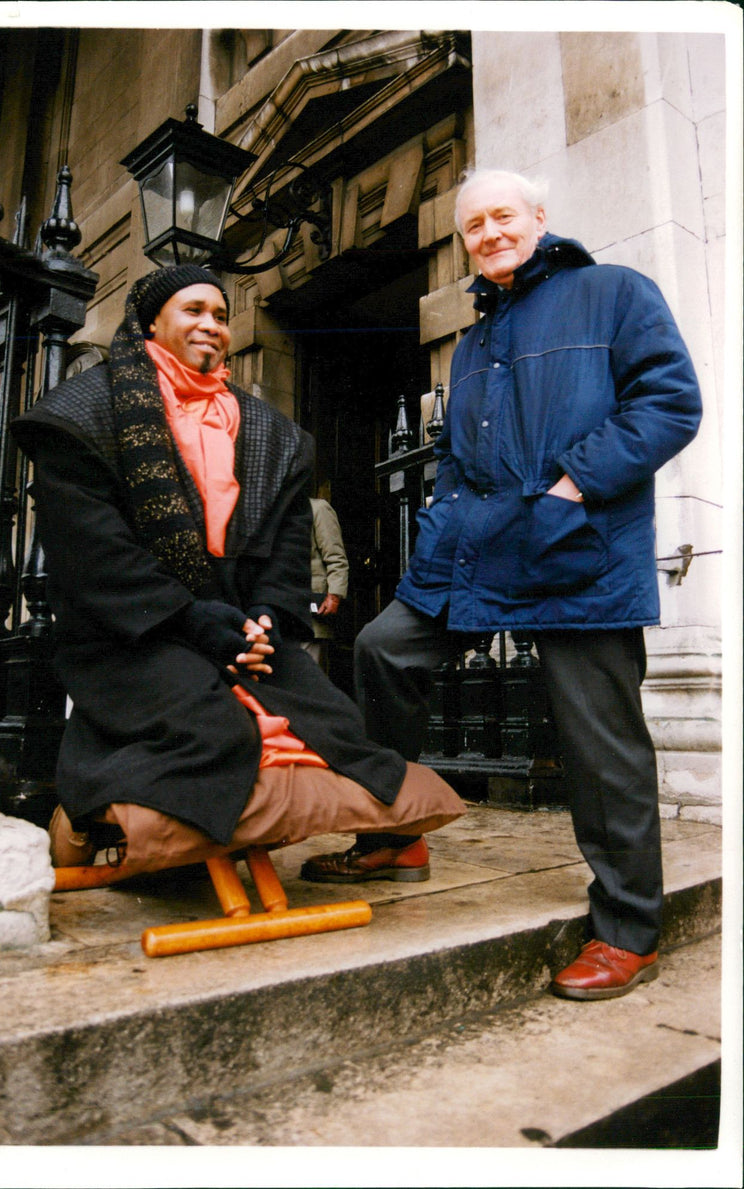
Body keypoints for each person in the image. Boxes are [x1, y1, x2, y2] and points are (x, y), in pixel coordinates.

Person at [301, 170, 702, 1000]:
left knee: (599, 740)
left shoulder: (613, 291)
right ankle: (397, 832)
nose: (488, 232)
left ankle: (627, 929)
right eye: (473, 224)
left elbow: (670, 401)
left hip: (576, 543)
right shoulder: (477, 339)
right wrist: (445, 516)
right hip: (480, 545)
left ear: (538, 219)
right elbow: (455, 454)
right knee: (383, 650)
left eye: (502, 216)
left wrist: (573, 486)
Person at [11, 265, 464, 876]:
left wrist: (267, 620)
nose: (212, 325)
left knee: (338, 729)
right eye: (193, 310)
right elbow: (93, 548)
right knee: (217, 734)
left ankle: (313, 834)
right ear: (151, 322)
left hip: (241, 631)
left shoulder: (271, 433)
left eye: (221, 316)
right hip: (136, 630)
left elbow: (284, 546)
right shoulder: (85, 411)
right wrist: (192, 621)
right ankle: (89, 818)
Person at [303, 494, 349, 668]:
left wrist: (335, 595)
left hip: (312, 607)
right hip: (282, 606)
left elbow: (336, 558)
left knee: (307, 674)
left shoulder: (318, 508)